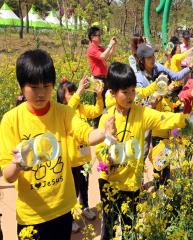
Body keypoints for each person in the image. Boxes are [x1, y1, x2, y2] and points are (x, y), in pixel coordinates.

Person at [0, 49, 113, 240]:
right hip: (31, 217)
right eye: (34, 87)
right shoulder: (11, 120)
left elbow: (84, 133)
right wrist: (18, 165)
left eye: (46, 86)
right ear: (21, 86)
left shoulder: (63, 112)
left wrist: (104, 133)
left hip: (62, 209)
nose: (41, 93)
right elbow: (8, 176)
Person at [96, 62, 193, 239]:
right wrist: (109, 140)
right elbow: (101, 154)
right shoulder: (107, 119)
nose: (131, 96)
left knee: (130, 227)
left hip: (131, 182)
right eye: (125, 92)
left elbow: (164, 118)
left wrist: (188, 119)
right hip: (109, 182)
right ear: (113, 92)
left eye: (133, 90)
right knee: (109, 227)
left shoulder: (141, 113)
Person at [56, 77, 104, 232]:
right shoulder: (63, 111)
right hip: (71, 160)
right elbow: (70, 106)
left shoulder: (81, 107)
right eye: (69, 92)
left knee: (84, 187)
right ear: (62, 96)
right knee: (72, 192)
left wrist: (98, 95)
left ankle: (85, 208)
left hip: (84, 158)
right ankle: (69, 218)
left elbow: (97, 111)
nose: (73, 93)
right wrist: (79, 92)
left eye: (73, 90)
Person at [87, 26, 117, 107]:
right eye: (98, 35)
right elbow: (102, 56)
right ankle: (96, 119)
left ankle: (104, 118)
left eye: (100, 35)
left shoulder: (100, 48)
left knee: (106, 100)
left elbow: (108, 55)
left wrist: (113, 45)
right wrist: (110, 45)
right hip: (97, 79)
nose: (100, 37)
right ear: (92, 37)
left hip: (105, 77)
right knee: (99, 102)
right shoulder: (91, 49)